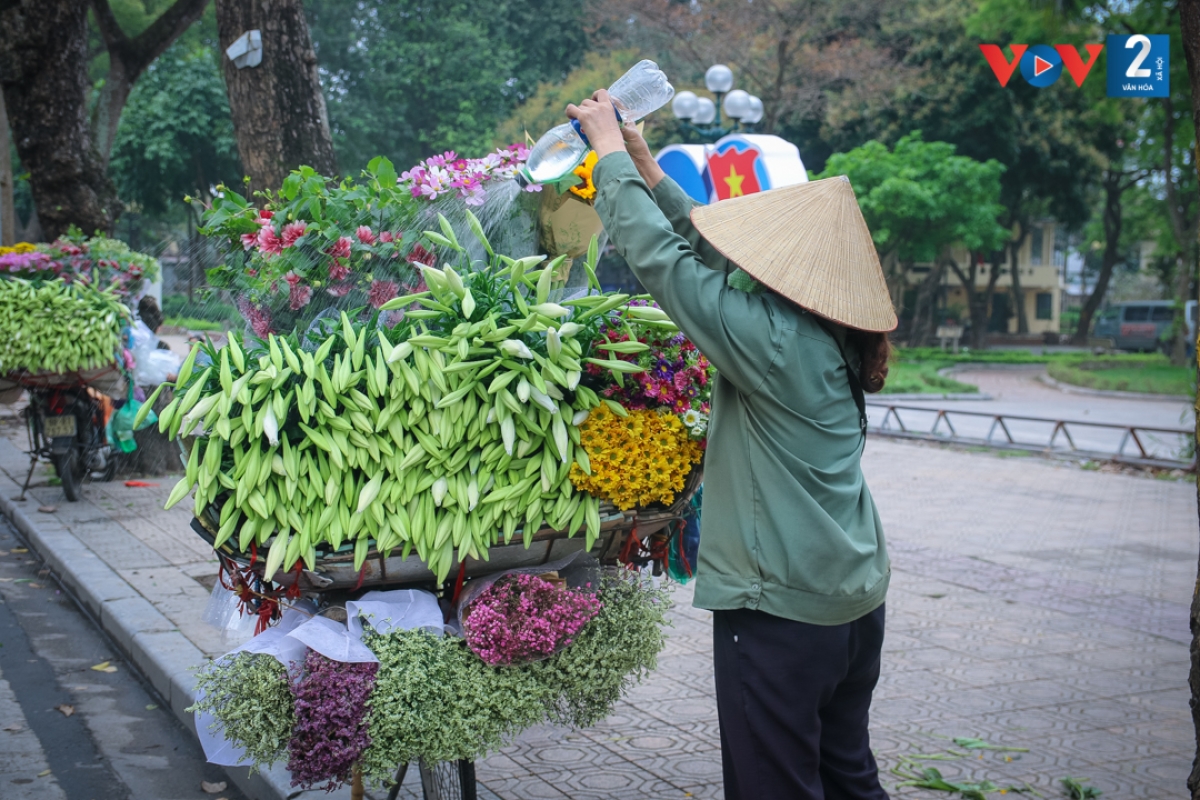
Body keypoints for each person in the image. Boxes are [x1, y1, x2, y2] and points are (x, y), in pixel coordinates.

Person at [568, 90, 896, 800]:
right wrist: (647, 168)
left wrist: (604, 161)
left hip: (782, 617)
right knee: (847, 777)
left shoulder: (774, 342)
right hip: (850, 601)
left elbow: (667, 267)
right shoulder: (826, 331)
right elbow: (709, 257)